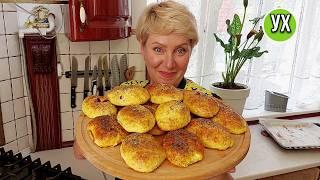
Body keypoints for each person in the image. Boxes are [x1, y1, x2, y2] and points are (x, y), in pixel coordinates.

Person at [74, 1, 233, 179]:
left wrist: (218, 172)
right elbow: (80, 152)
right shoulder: (125, 94)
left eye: (180, 50)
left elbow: (225, 173)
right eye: (158, 49)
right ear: (142, 48)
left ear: (191, 51)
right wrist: (85, 142)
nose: (169, 63)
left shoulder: (209, 103)